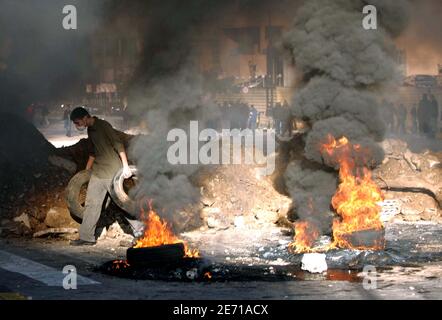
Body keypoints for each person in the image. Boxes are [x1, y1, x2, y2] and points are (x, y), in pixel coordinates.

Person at [69, 107, 143, 246]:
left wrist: (125, 166)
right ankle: (86, 238)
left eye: (77, 122)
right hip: (98, 172)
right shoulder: (90, 130)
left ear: (85, 117)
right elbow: (93, 152)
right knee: (92, 204)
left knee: (121, 204)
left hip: (112, 172)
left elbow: (118, 144)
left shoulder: (103, 125)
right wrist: (86, 171)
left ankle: (141, 232)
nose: (77, 125)